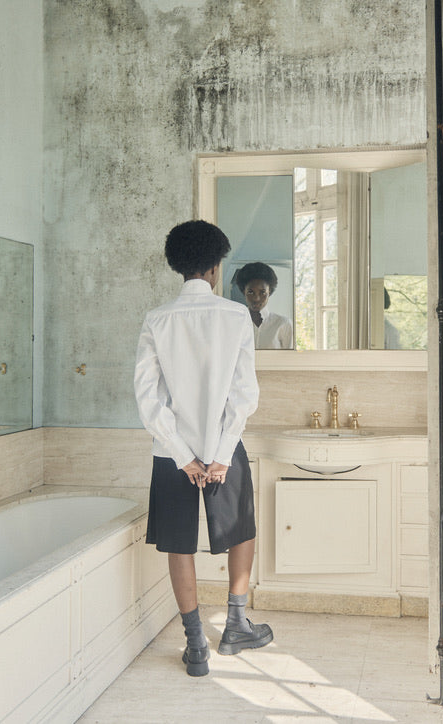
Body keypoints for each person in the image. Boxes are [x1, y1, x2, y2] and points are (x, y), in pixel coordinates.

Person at [134, 220, 273, 677]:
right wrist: (219, 454)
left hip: (171, 453)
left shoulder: (157, 319)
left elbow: (148, 398)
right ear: (215, 268)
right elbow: (243, 394)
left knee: (180, 543)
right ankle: (235, 626)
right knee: (243, 530)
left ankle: (195, 645)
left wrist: (183, 455)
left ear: (179, 266)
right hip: (222, 450)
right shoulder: (235, 317)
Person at [233, 262, 294, 349]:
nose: (256, 298)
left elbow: (290, 360)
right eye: (251, 292)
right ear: (244, 292)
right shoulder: (236, 324)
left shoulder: (283, 324)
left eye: (262, 292)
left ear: (270, 292)